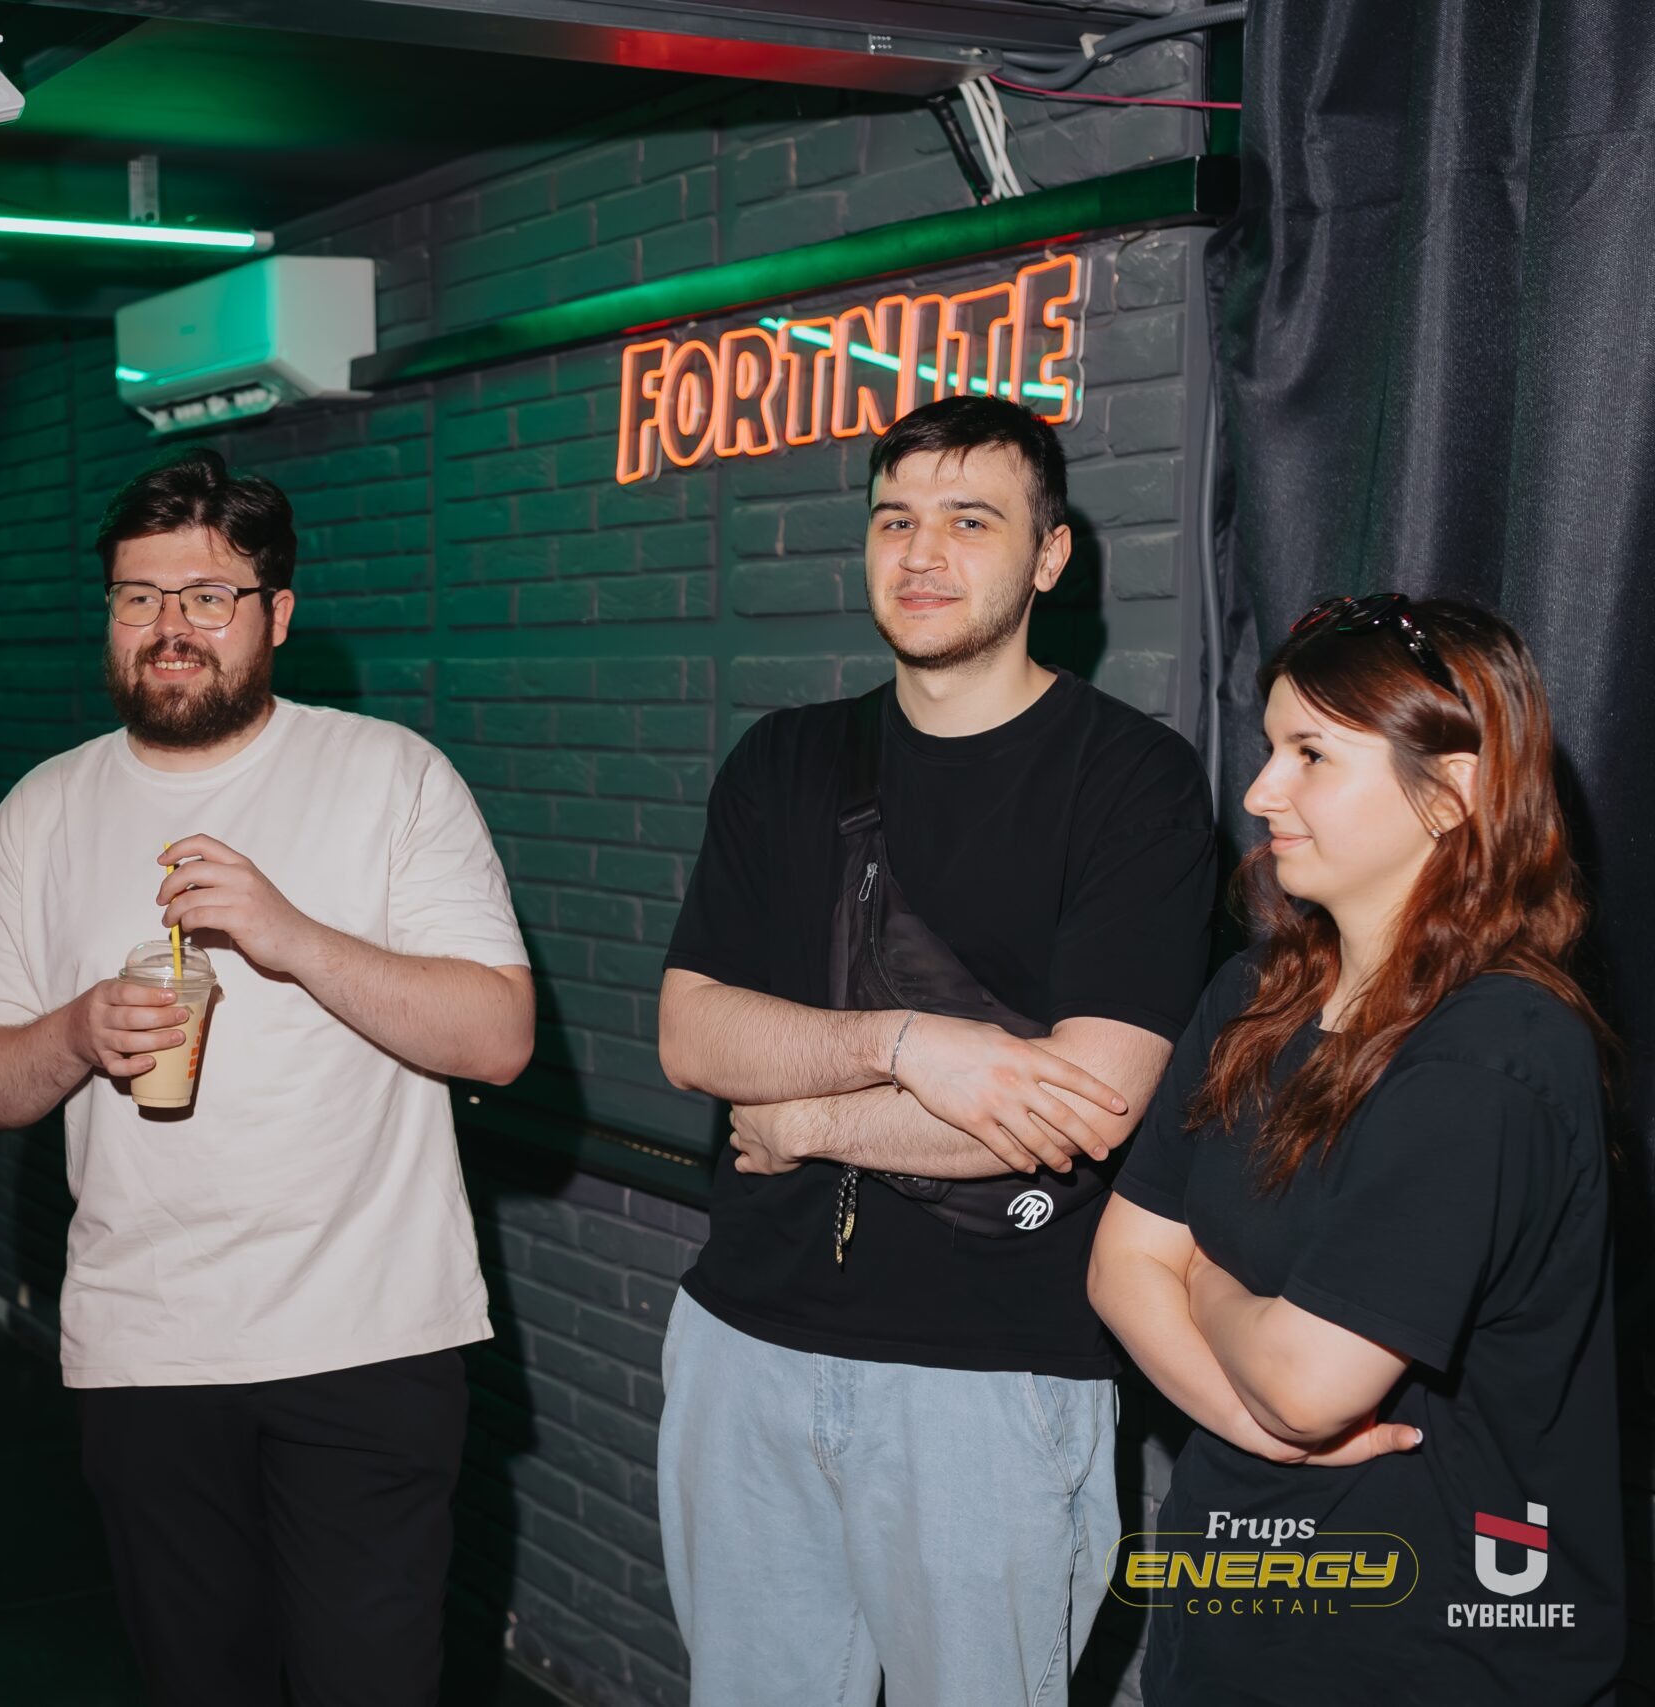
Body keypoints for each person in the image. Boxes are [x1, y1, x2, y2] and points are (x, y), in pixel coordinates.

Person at [0, 449, 533, 1707]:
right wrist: (78, 1031)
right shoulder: (41, 811)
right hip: (145, 1347)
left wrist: (290, 935)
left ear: (277, 615)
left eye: (209, 596)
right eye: (138, 596)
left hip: (368, 1338)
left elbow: (496, 1038)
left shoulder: (390, 775)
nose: (170, 626)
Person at [654, 394, 1219, 1705]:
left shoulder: (1128, 779)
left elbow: (1086, 1104)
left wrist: (809, 1116)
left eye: (970, 520)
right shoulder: (785, 760)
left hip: (991, 1374)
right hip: (745, 1342)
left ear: (1049, 555)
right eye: (894, 519)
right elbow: (692, 1032)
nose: (921, 553)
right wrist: (914, 1046)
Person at [1090, 595, 1621, 1704]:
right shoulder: (1256, 992)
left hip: (1433, 1655)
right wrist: (1261, 1423)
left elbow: (1308, 1383)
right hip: (1227, 1621)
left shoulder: (1495, 1052)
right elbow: (1118, 1268)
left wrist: (1205, 1281)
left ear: (1451, 791)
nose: (1257, 792)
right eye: (1269, 748)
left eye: (1311, 754)